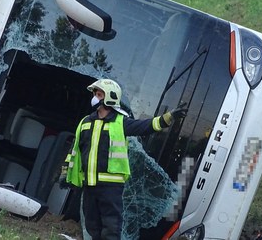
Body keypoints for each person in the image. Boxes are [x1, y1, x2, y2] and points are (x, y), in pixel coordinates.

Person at [64, 78, 187, 240]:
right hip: (89, 184)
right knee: (92, 224)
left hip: (111, 186)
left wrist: (168, 117)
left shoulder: (120, 122)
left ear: (110, 97)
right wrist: (65, 173)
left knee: (111, 226)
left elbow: (146, 126)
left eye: (99, 94)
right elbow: (74, 151)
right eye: (95, 94)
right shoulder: (85, 123)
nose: (95, 97)